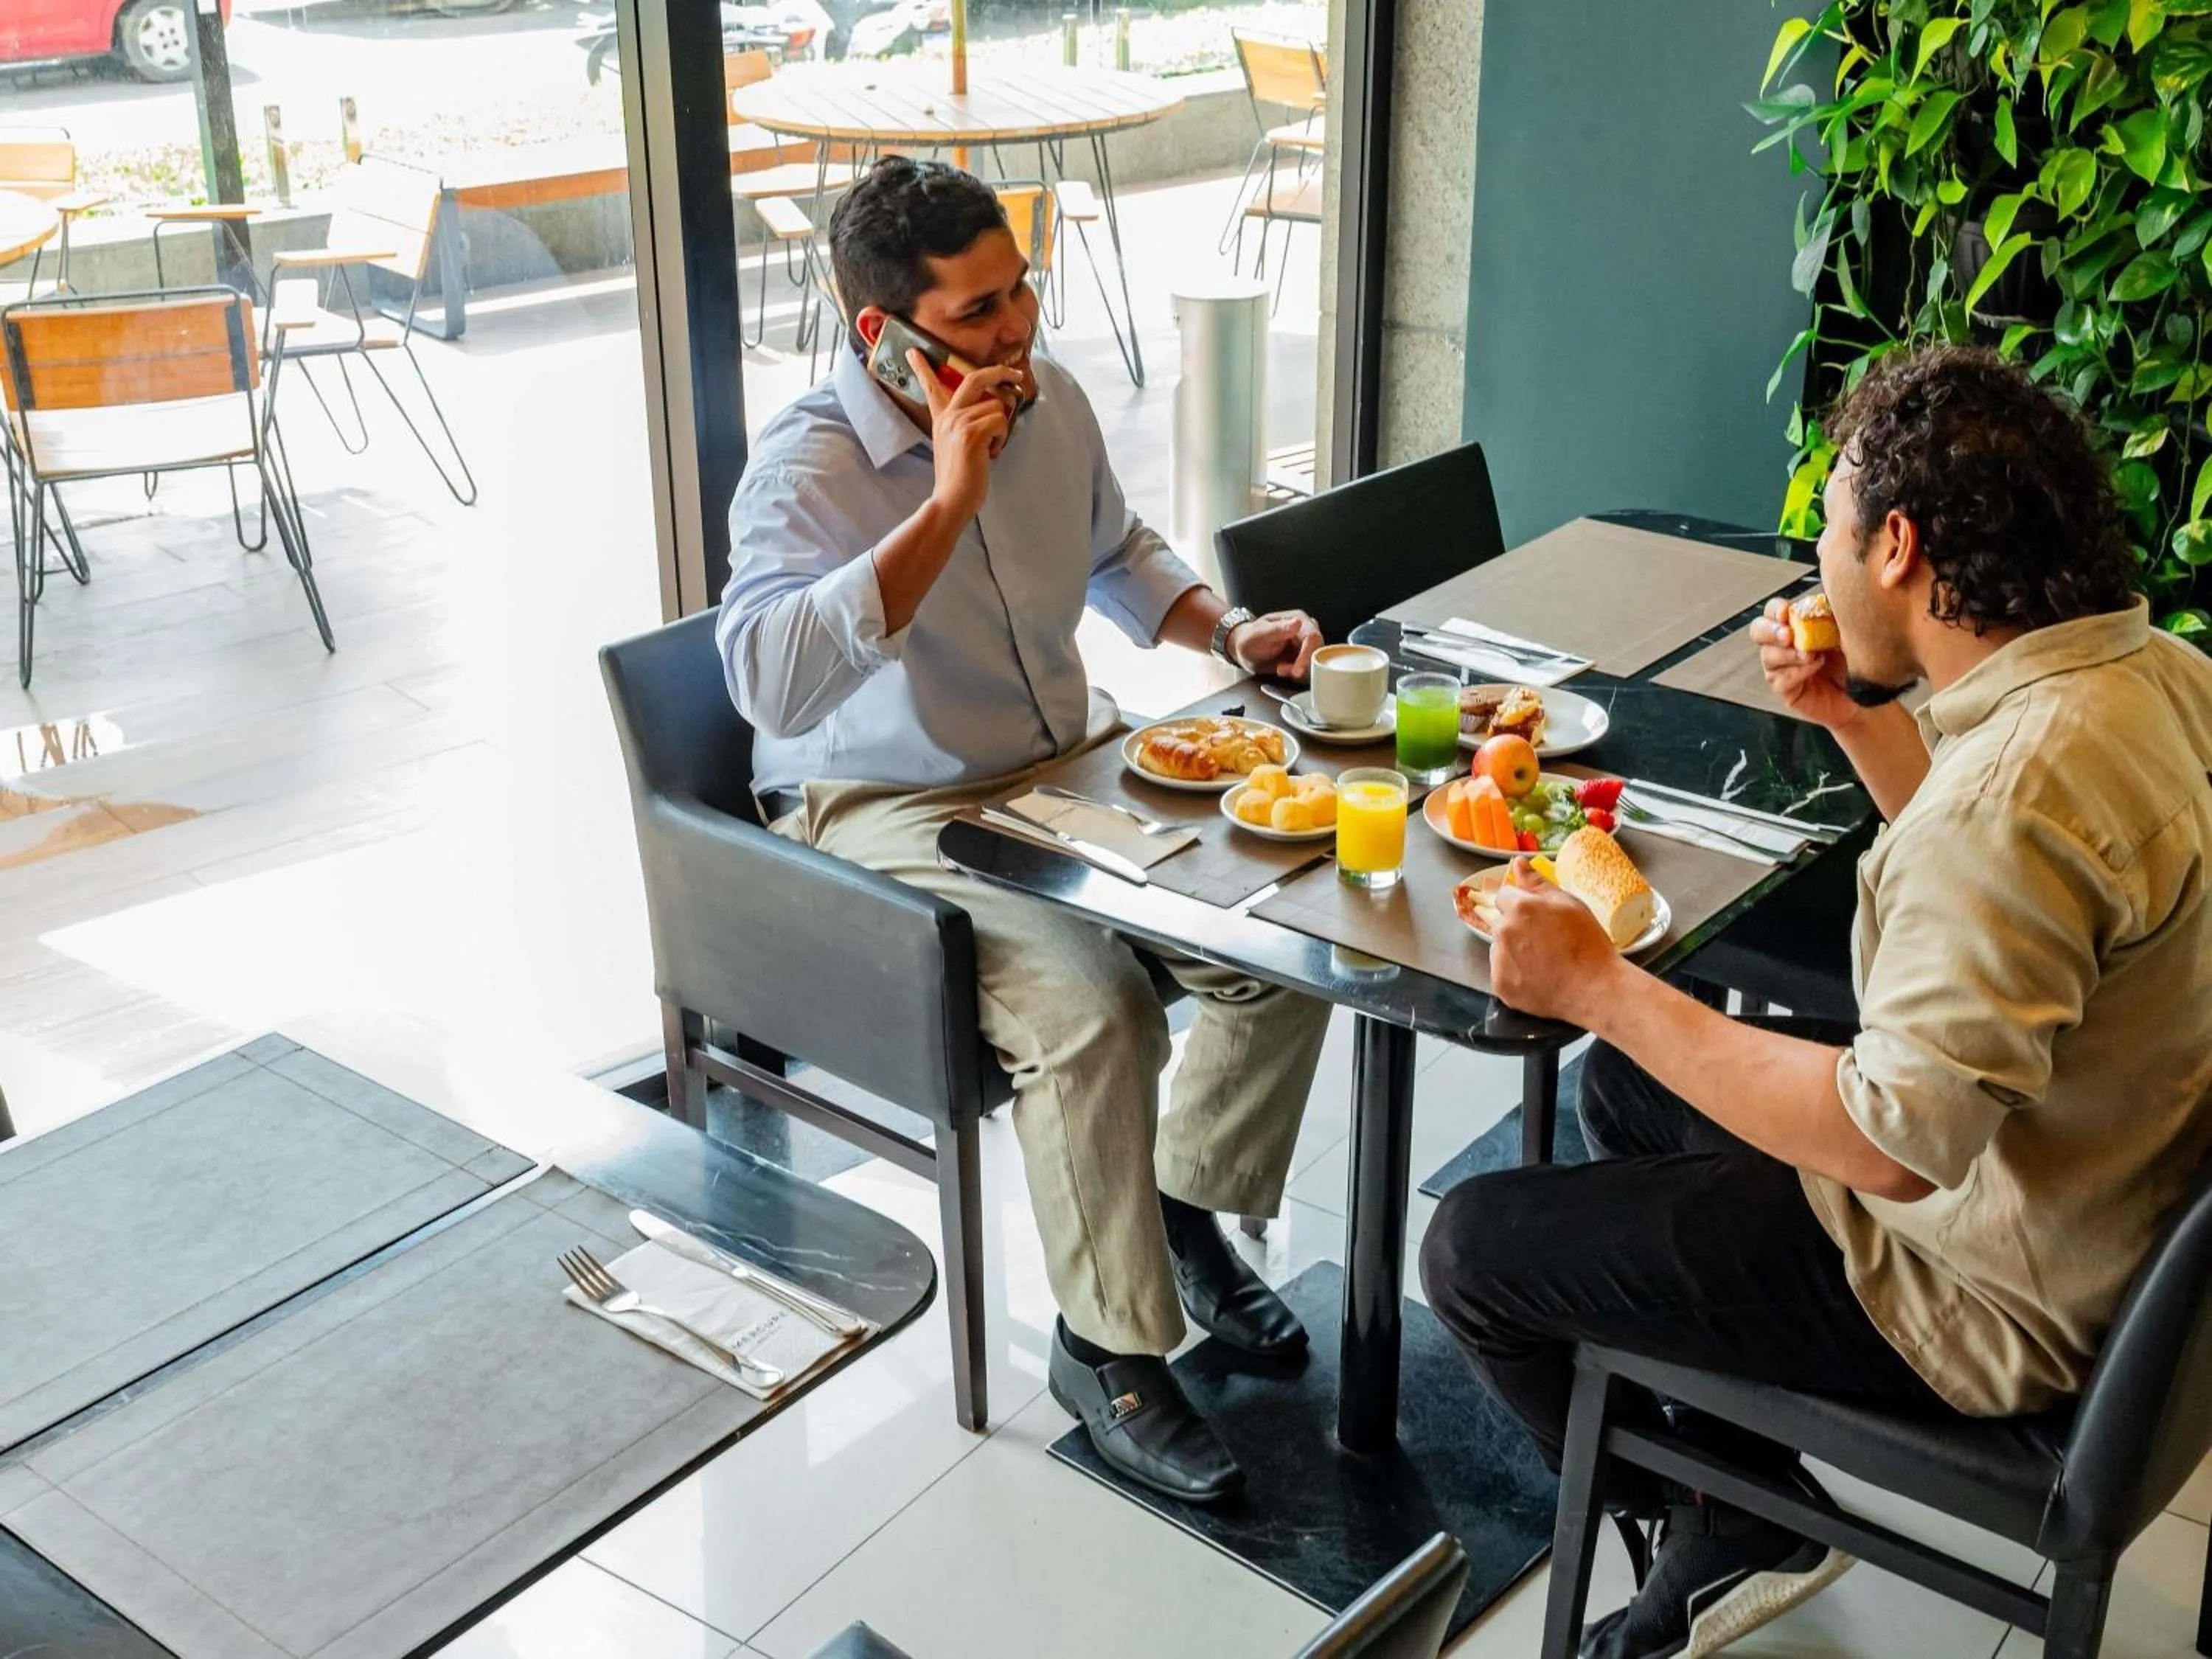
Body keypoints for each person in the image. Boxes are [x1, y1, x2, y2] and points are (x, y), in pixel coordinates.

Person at [1419, 344, 2212, 1658]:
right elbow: (2023, 906)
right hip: (2098, 1195)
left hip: (1981, 1285)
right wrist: (1855, 718)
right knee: (1628, 1086)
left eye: (1833, 528)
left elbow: (1892, 1146)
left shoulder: (2015, 790)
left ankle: (1710, 1507)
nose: (1820, 562)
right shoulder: (2158, 681)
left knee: (1474, 1251)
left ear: (1898, 548)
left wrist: (1602, 985)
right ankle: (1735, 1495)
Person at [718, 157, 1333, 1503]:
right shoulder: (807, 465)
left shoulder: (1049, 405)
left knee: (1286, 936)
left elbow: (1119, 551)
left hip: (1062, 762)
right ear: (882, 333)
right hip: (887, 800)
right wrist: (944, 501)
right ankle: (1106, 1350)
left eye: (1021, 291)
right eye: (979, 313)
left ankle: (1175, 1205)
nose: (1018, 331)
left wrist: (1229, 630)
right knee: (1088, 1005)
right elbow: (763, 681)